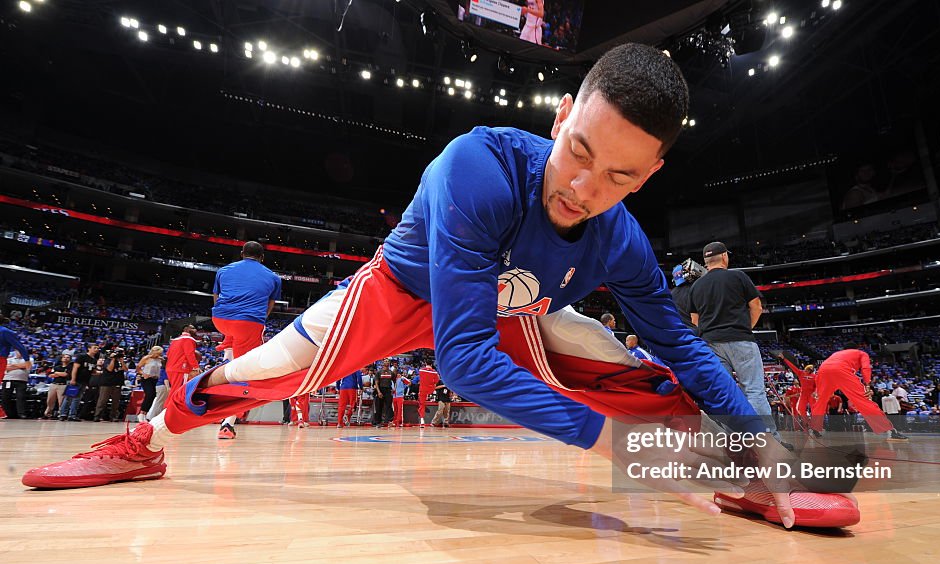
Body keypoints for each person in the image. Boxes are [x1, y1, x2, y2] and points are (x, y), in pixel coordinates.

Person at [25, 44, 864, 529]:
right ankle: (142, 440)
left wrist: (756, 436)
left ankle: (747, 473)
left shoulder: (624, 241)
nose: (583, 187)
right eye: (577, 152)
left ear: (650, 172)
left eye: (617, 176)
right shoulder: (478, 166)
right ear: (561, 111)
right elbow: (460, 361)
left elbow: (682, 341)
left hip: (511, 311)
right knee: (261, 372)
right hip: (405, 290)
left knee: (633, 366)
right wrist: (603, 440)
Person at [688, 241, 793, 450]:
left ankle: (736, 444)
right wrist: (746, 328)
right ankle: (769, 441)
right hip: (740, 339)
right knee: (754, 391)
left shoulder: (696, 286)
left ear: (706, 262)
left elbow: (694, 321)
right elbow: (756, 307)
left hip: (711, 344)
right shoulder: (738, 276)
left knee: (726, 394)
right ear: (725, 257)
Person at [211, 241, 282, 440]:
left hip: (220, 320)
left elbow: (217, 296)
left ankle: (227, 343)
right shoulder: (273, 277)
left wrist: (226, 318)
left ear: (242, 253)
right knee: (243, 372)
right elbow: (269, 304)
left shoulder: (223, 270)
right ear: (263, 257)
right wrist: (257, 321)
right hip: (248, 324)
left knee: (231, 354)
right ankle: (228, 423)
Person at [810, 343, 908, 441]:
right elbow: (866, 368)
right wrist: (867, 385)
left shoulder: (836, 354)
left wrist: (817, 390)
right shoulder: (861, 353)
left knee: (820, 402)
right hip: (841, 371)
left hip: (822, 372)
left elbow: (825, 369)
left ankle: (814, 427)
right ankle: (891, 431)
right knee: (864, 401)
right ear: (857, 348)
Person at [58, 343, 101, 421]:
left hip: (84, 381)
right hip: (76, 380)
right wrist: (73, 379)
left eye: (97, 348)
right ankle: (63, 414)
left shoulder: (94, 360)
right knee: (68, 397)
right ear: (89, 348)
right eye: (95, 348)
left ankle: (72, 415)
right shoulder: (82, 356)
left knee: (77, 399)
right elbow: (75, 368)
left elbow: (91, 371)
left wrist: (100, 372)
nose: (96, 349)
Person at [93, 347, 129, 422]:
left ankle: (113, 416)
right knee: (102, 400)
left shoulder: (122, 361)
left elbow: (126, 369)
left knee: (116, 401)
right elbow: (109, 369)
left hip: (117, 383)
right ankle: (97, 416)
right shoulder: (107, 360)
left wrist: (122, 361)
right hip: (107, 383)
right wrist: (113, 359)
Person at [166, 325, 200, 394]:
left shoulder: (175, 340)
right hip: (181, 368)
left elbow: (168, 354)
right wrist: (196, 367)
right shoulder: (188, 339)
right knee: (180, 392)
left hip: (171, 368)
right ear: (187, 330)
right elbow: (189, 354)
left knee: (174, 391)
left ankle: (169, 405)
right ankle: (172, 405)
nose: (195, 330)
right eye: (193, 328)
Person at [136, 346, 164, 421]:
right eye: (158, 353)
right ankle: (141, 413)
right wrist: (143, 373)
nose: (159, 355)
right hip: (146, 378)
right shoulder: (146, 358)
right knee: (149, 394)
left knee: (153, 396)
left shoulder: (160, 359)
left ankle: (145, 413)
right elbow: (138, 368)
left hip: (155, 379)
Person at [1, 350, 32, 418]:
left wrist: (13, 366)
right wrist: (20, 366)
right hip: (8, 380)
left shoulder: (29, 359)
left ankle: (21, 413)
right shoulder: (9, 359)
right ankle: (7, 414)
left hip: (22, 381)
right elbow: (6, 367)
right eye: (18, 351)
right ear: (15, 352)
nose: (19, 353)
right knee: (5, 397)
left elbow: (26, 365)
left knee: (21, 397)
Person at [0, 314, 31, 380]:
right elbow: (20, 347)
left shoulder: (5, 331)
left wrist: (27, 360)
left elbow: (19, 347)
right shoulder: (5, 331)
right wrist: (27, 360)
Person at [43, 354, 73, 419]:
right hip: (54, 384)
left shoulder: (70, 367)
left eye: (68, 357)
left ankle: (61, 414)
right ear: (61, 358)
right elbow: (51, 375)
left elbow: (66, 374)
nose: (65, 358)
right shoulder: (57, 366)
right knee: (50, 400)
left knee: (61, 401)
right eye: (64, 357)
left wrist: (57, 373)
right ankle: (48, 414)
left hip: (63, 385)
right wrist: (59, 374)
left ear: (70, 359)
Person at [417, 364, 439, 428]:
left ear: (425, 364)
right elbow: (436, 381)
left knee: (422, 405)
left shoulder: (421, 370)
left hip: (422, 389)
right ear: (431, 365)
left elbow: (419, 379)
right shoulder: (435, 372)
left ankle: (422, 420)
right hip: (430, 389)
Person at [392, 363, 412, 427]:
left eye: (394, 372)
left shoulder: (402, 378)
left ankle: (400, 422)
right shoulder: (392, 379)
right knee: (395, 410)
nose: (393, 373)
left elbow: (409, 383)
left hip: (400, 396)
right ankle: (394, 421)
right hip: (393, 396)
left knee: (400, 409)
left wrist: (403, 388)